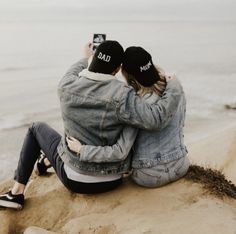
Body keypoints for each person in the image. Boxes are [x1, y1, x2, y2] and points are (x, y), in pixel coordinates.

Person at [0, 41, 183, 210]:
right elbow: (156, 119)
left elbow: (74, 70)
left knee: (36, 129)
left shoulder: (65, 85)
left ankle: (16, 192)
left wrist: (86, 57)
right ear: (118, 69)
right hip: (113, 179)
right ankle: (45, 161)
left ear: (93, 59)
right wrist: (173, 85)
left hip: (75, 178)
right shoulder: (124, 95)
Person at [66, 46, 189, 188]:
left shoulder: (135, 106)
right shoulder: (175, 90)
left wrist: (82, 150)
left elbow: (119, 152)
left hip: (149, 176)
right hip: (181, 166)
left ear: (127, 76)